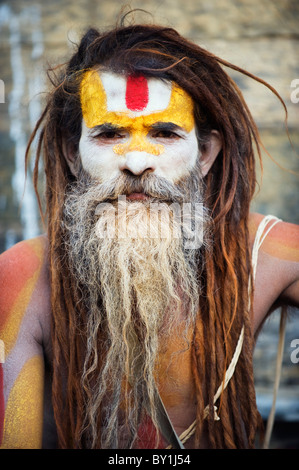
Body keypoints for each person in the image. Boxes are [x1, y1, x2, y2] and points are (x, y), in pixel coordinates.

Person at [0, 19, 298, 450]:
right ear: (72, 154)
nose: (137, 162)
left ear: (205, 155)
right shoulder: (22, 279)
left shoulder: (265, 254)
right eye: (109, 134)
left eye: (164, 133)